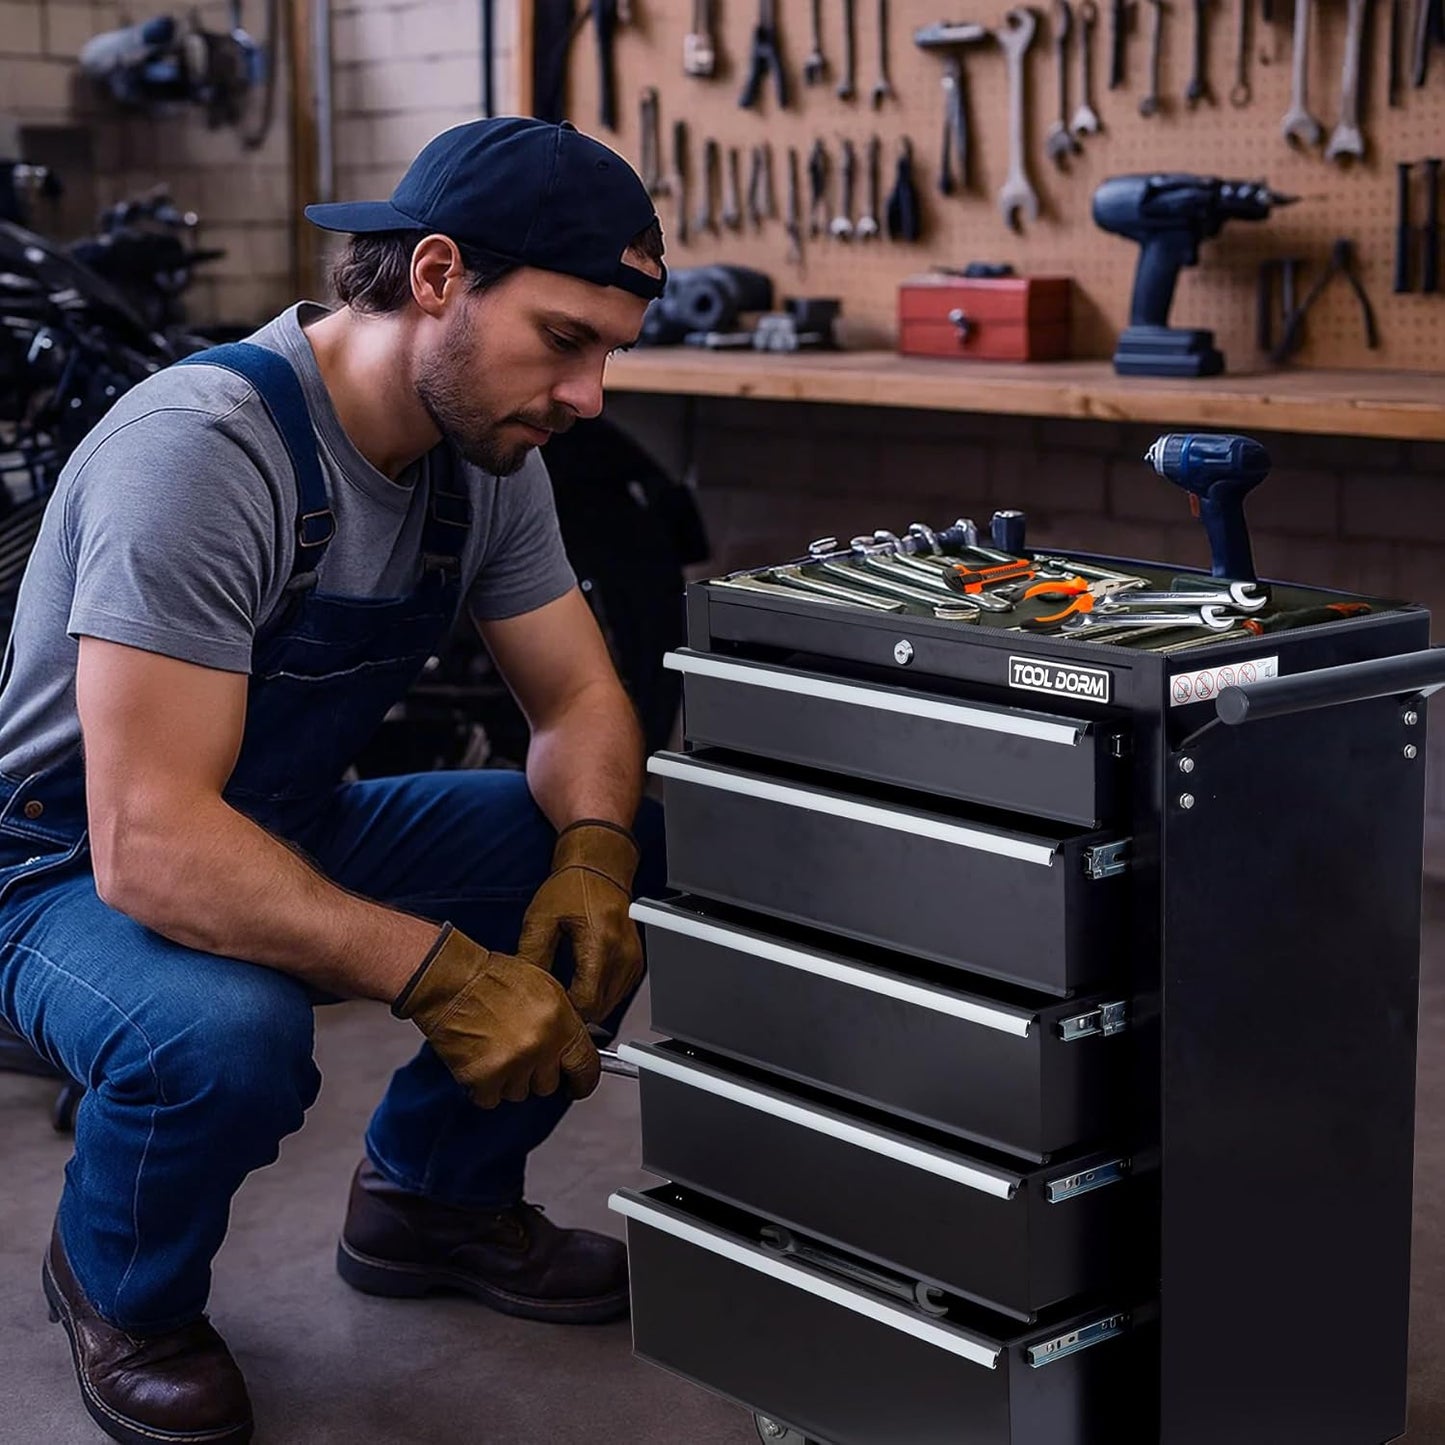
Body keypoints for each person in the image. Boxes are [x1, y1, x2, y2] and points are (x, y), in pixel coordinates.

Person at [0, 115, 669, 1445]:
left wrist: (593, 854)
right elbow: (148, 845)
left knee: (611, 828)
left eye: (608, 350)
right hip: (61, 867)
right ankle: (118, 1286)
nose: (589, 392)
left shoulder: (483, 453)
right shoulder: (203, 450)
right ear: (434, 278)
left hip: (280, 823)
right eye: (563, 338)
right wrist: (449, 973)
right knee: (224, 1037)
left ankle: (430, 1200)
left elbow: (581, 697)